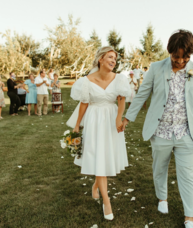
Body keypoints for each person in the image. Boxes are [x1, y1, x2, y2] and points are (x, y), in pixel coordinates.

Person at [122, 30, 193, 228]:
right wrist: (128, 118)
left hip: (186, 132)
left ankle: (189, 216)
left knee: (188, 174)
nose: (181, 61)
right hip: (160, 131)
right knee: (159, 168)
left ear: (191, 54)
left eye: (185, 57)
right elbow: (141, 95)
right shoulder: (156, 68)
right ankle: (162, 198)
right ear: (169, 51)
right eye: (176, 57)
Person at [70, 46, 131, 221]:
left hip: (111, 120)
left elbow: (121, 99)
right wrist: (76, 126)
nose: (113, 61)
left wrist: (119, 118)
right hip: (94, 120)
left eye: (115, 59)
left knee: (106, 156)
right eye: (110, 57)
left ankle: (96, 186)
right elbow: (84, 103)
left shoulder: (119, 79)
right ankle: (107, 201)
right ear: (100, 59)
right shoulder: (86, 81)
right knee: (98, 155)